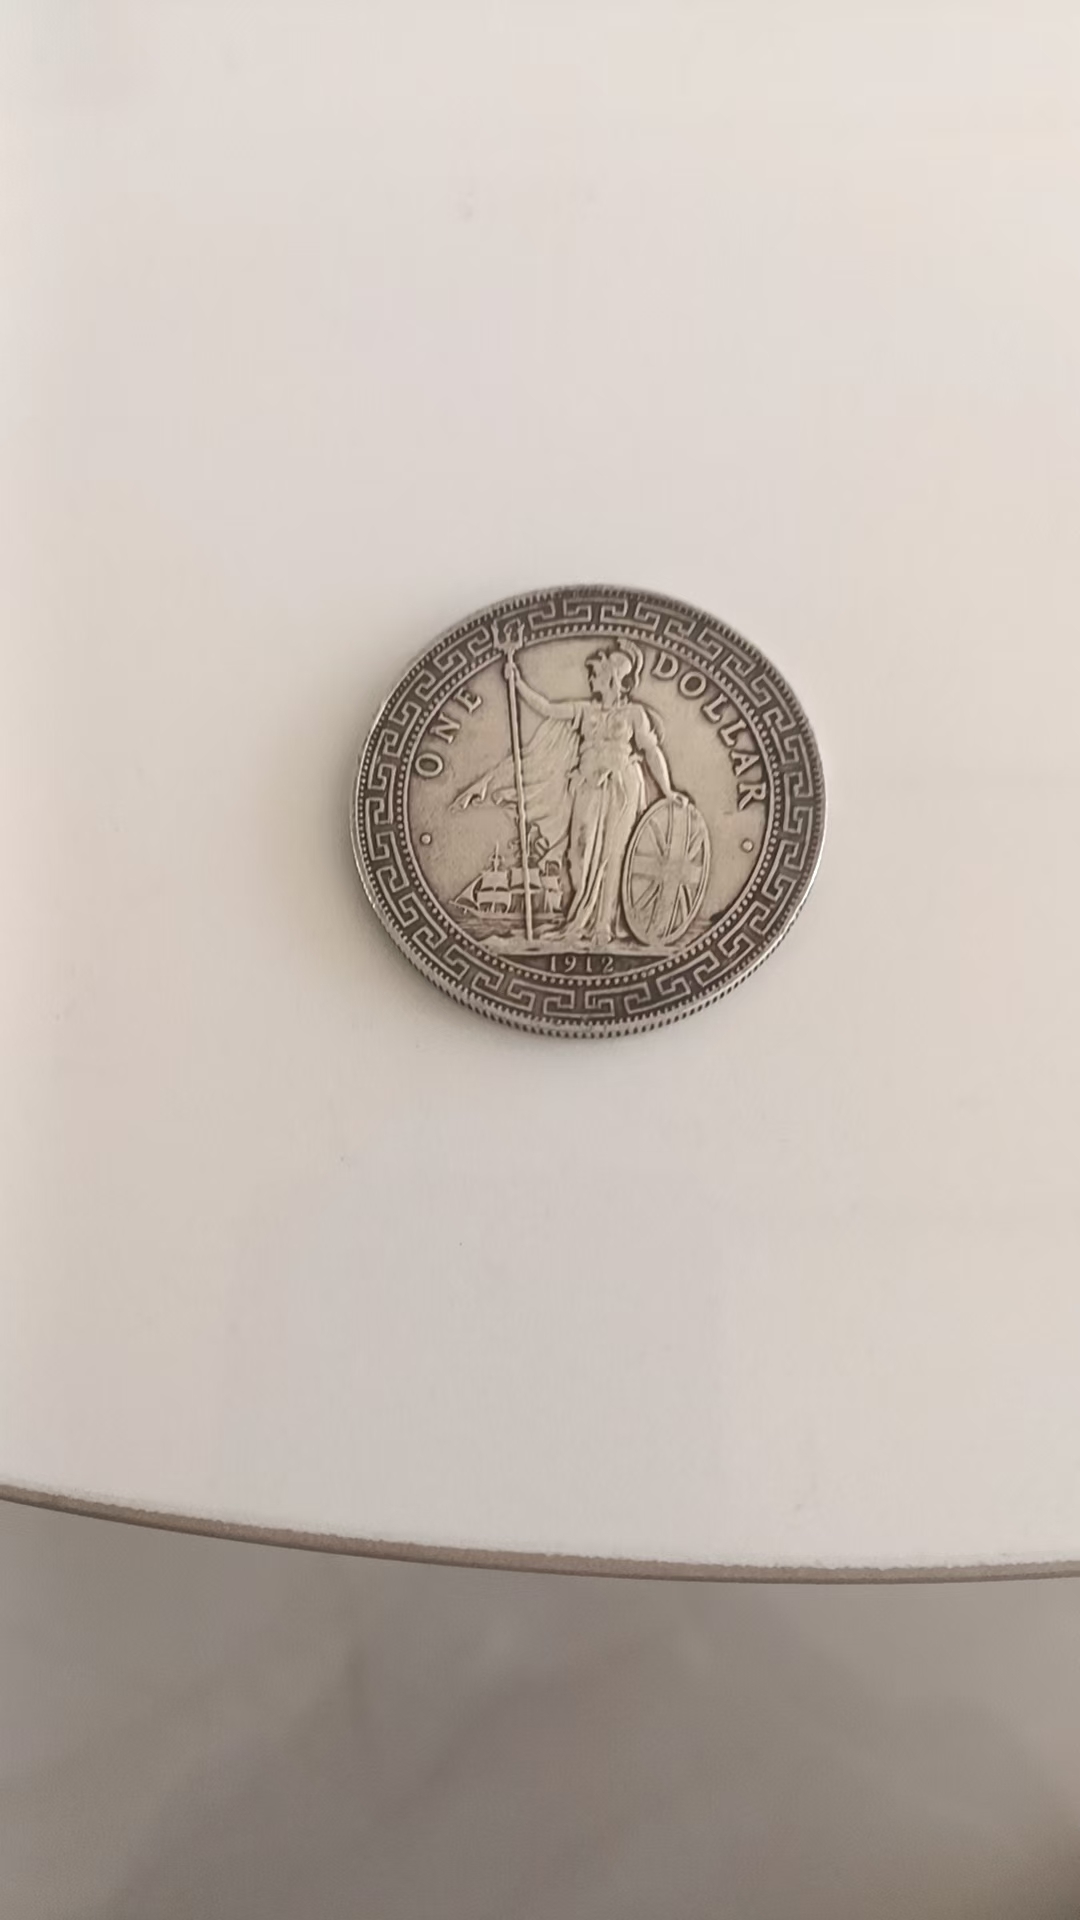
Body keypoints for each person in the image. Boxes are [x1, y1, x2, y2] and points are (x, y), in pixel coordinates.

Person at [458, 642, 685, 946]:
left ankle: (603, 925)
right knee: (578, 854)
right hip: (587, 785)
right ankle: (580, 918)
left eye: (596, 674)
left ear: (613, 678)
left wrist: (667, 790)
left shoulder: (635, 714)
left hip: (622, 786)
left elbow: (652, 751)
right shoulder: (585, 710)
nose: (590, 679)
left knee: (613, 853)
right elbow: (547, 708)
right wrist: (518, 682)